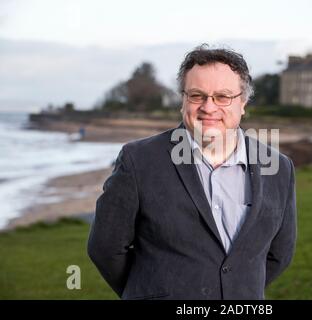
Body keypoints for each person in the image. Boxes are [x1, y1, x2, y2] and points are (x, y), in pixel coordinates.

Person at [87, 44, 297, 300]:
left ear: (242, 102)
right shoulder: (138, 161)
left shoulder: (278, 168)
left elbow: (279, 254)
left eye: (223, 97)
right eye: (197, 95)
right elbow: (105, 248)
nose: (209, 107)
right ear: (183, 99)